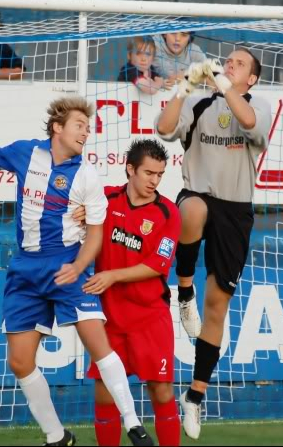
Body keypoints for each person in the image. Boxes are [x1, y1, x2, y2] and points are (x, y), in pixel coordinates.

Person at [0, 97, 153, 447]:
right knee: (19, 360)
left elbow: (97, 234)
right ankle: (57, 437)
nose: (86, 133)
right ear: (58, 127)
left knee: (97, 345)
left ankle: (133, 423)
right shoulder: (26, 153)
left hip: (67, 264)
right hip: (26, 269)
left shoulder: (87, 174)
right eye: (79, 126)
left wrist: (77, 265)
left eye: (89, 129)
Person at [154, 49, 271, 440]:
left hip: (236, 211)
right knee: (193, 210)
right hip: (197, 195)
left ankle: (195, 396)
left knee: (218, 307)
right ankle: (183, 289)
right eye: (228, 60)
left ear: (251, 79)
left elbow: (250, 122)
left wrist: (222, 82)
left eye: (239, 64)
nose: (230, 64)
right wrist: (184, 87)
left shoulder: (258, 105)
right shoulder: (199, 100)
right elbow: (163, 128)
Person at [81, 139, 181, 446]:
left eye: (160, 174)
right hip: (109, 317)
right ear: (130, 169)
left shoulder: (169, 213)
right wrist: (77, 214)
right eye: (149, 172)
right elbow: (78, 216)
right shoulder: (105, 199)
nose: (154, 180)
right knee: (104, 390)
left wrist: (111, 276)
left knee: (160, 389)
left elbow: (156, 265)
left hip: (150, 316)